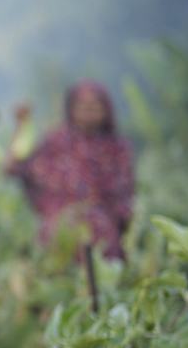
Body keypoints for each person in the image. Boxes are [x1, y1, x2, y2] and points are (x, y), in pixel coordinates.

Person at [7, 80, 135, 260]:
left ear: (106, 109)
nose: (88, 110)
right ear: (71, 109)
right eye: (82, 104)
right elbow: (17, 168)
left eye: (95, 104)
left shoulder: (117, 149)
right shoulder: (54, 143)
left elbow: (125, 199)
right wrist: (22, 127)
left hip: (104, 243)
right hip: (57, 238)